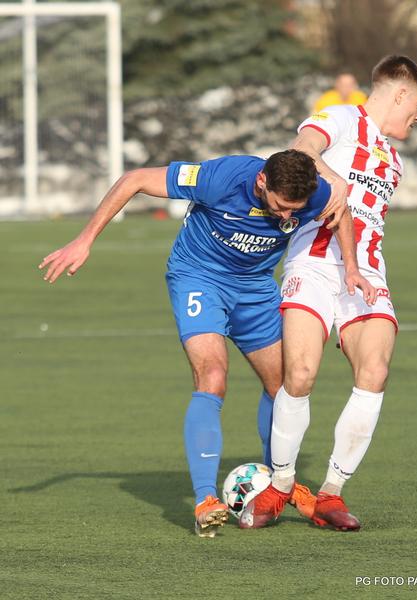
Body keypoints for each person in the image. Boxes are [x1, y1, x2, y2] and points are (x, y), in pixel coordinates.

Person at [38, 149, 375, 538]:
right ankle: (204, 500)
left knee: (283, 386)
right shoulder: (220, 178)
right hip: (198, 278)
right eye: (281, 206)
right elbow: (134, 180)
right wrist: (84, 240)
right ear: (262, 181)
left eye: (293, 211)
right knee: (213, 376)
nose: (286, 216)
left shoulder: (311, 193)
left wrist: (351, 268)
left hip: (256, 287)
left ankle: (280, 486)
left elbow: (341, 213)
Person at [240, 56, 417, 531]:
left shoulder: (393, 160)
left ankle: (330, 493)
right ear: (400, 94)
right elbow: (301, 148)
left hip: (366, 273)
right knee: (300, 373)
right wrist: (334, 180)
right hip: (313, 264)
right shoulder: (344, 117)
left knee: (375, 371)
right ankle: (280, 486)